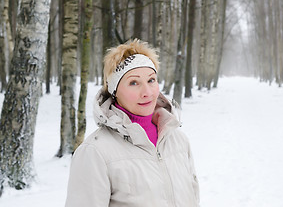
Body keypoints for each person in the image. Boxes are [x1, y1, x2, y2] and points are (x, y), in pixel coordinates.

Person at [65, 39, 199, 207]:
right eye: (133, 83)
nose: (147, 92)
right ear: (114, 92)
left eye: (151, 80)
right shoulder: (95, 152)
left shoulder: (178, 140)